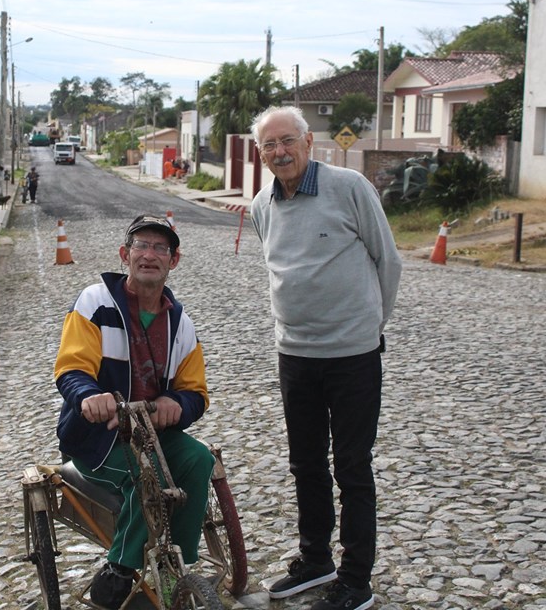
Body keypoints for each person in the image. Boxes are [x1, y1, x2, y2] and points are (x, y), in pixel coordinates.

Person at [249, 106, 402, 610]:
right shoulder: (261, 205)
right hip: (294, 354)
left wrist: (368, 327)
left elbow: (388, 260)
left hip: (352, 355)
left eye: (287, 141)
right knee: (305, 463)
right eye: (269, 145)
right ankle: (316, 560)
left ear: (308, 142)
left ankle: (356, 580)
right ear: (261, 152)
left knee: (352, 466)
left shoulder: (349, 186)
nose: (279, 152)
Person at [54, 215, 214, 610]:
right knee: (151, 479)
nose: (150, 255)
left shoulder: (181, 324)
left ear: (173, 261)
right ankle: (121, 568)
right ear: (125, 255)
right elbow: (71, 369)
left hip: (152, 431)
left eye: (161, 248)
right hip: (98, 436)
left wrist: (176, 404)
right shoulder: (95, 303)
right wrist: (90, 396)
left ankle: (178, 564)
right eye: (142, 245)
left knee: (198, 459)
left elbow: (195, 391)